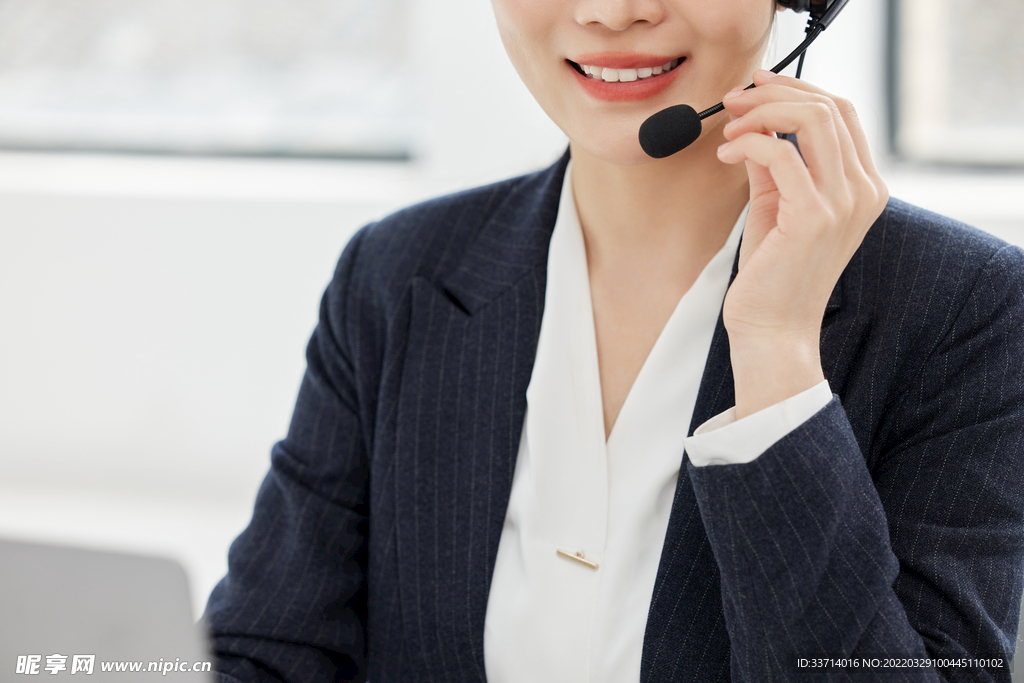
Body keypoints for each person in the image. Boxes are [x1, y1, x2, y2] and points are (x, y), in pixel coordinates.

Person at [203, 0, 1024, 680]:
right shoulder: (398, 276)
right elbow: (266, 650)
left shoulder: (964, 310)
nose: (610, 11)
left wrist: (777, 357)